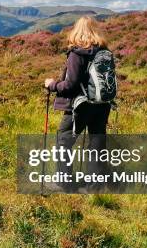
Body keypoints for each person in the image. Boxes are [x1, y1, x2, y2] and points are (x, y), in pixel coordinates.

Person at [44, 16, 111, 191]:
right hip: (102, 104)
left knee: (63, 141)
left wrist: (52, 85)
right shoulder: (104, 52)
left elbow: (70, 85)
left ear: (76, 30)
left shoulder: (77, 53)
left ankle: (63, 183)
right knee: (96, 143)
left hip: (79, 106)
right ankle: (94, 188)